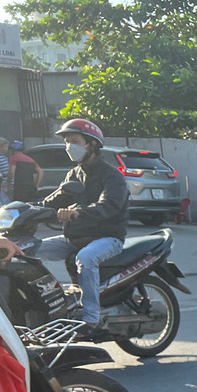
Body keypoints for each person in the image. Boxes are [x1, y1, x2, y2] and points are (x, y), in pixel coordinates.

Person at [34, 118, 128, 339]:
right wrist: (19, 210)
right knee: (29, 250)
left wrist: (78, 211)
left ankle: (91, 318)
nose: (69, 146)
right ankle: (53, 305)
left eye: (74, 141)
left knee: (85, 258)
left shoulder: (112, 175)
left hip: (107, 237)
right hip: (74, 237)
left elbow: (110, 206)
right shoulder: (74, 174)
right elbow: (52, 201)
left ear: (92, 145)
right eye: (67, 141)